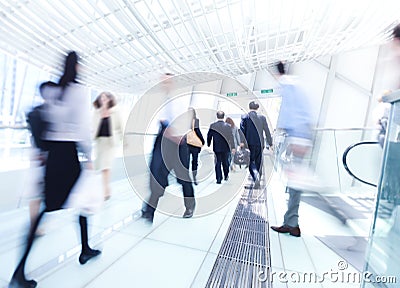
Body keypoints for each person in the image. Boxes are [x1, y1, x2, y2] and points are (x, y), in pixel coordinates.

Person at [10, 51, 100, 288]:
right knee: (84, 200)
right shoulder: (79, 92)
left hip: (53, 157)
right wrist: (89, 156)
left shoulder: (52, 90)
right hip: (69, 155)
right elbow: (82, 128)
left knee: (54, 206)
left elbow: (44, 121)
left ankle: (84, 249)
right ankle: (83, 250)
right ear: (78, 67)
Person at [141, 74, 196, 223]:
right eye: (163, 81)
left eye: (167, 81)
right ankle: (149, 210)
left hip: (177, 145)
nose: (164, 84)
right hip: (164, 141)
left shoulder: (180, 100)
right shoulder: (163, 99)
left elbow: (181, 123)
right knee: (157, 176)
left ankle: (190, 205)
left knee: (183, 178)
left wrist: (175, 133)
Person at [270, 61, 314, 238]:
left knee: (296, 183)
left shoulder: (287, 84)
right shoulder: (295, 83)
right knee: (295, 181)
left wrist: (297, 139)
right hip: (301, 137)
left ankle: (292, 224)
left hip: (298, 138)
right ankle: (291, 221)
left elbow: (291, 113)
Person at [92, 92, 123, 200]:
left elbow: (121, 127)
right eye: (101, 98)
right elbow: (93, 126)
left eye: (105, 98)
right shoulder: (97, 112)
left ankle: (105, 191)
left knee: (106, 167)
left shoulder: (115, 111)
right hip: (100, 142)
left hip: (110, 143)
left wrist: (122, 140)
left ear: (110, 99)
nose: (103, 99)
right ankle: (106, 189)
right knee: (101, 167)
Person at [240, 101, 272, 189]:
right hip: (260, 143)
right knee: (259, 161)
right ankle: (258, 178)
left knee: (250, 162)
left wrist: (242, 142)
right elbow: (267, 131)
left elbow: (242, 131)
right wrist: (270, 143)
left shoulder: (244, 117)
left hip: (248, 144)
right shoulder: (262, 118)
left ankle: (255, 176)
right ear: (257, 108)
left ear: (249, 107)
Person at [207, 111, 235, 184]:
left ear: (217, 116)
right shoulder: (228, 126)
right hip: (226, 147)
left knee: (218, 162)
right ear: (223, 116)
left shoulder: (213, 126)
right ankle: (226, 175)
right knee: (225, 162)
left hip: (217, 147)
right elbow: (231, 137)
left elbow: (209, 135)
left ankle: (218, 179)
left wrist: (208, 143)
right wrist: (233, 147)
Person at [186, 107, 205, 185]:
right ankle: (194, 178)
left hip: (186, 143)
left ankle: (186, 178)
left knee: (185, 161)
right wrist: (202, 140)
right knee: (194, 161)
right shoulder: (196, 120)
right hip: (194, 144)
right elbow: (197, 130)